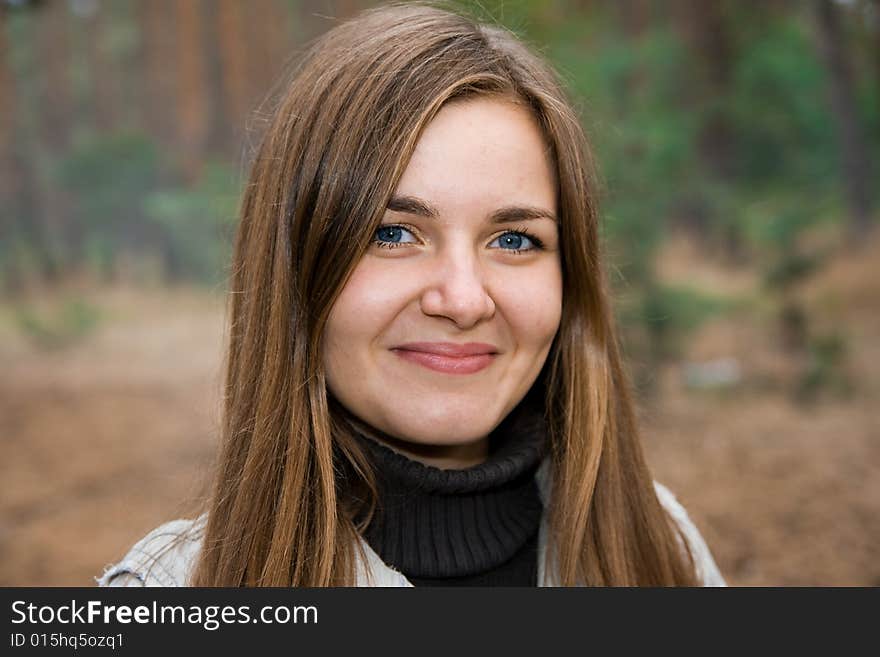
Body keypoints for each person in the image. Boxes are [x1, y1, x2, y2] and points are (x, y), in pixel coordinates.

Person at [97, 1, 725, 587]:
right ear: (297, 271)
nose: (463, 299)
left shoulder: (662, 552)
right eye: (393, 233)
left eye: (513, 240)